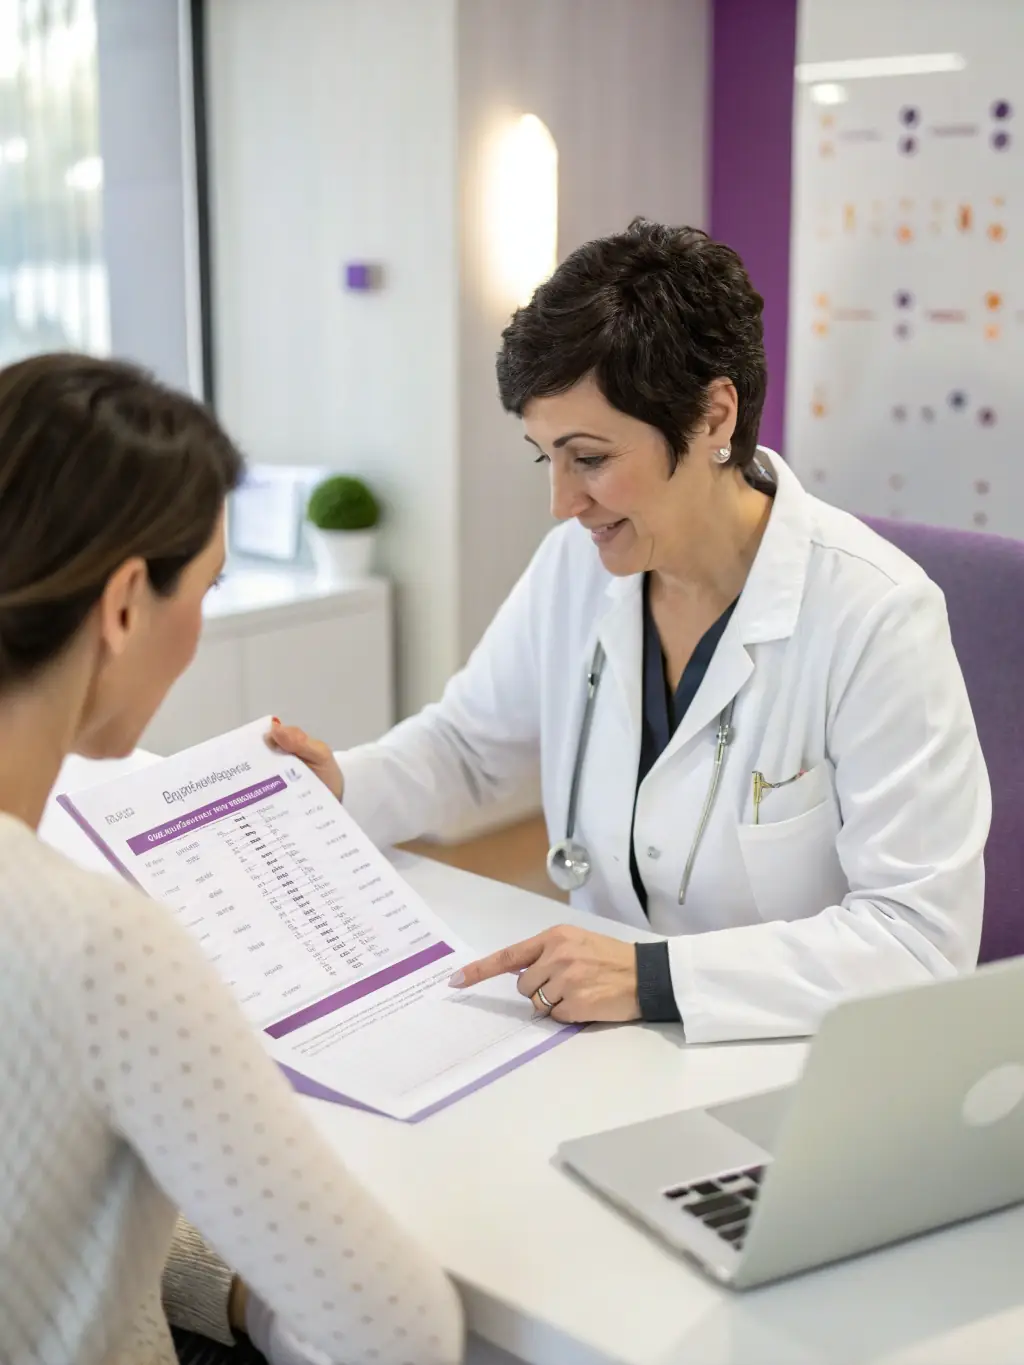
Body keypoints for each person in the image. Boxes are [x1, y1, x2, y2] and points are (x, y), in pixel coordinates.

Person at [273, 218, 990, 1044]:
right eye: (546, 457)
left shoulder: (876, 615)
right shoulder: (575, 568)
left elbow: (918, 940)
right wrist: (343, 783)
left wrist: (655, 978)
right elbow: (468, 747)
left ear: (713, 417)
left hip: (788, 1057)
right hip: (602, 1040)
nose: (562, 504)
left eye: (590, 458)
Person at [0, 354, 463, 1365]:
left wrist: (224, 1281)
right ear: (125, 604)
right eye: (206, 588)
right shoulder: (96, 943)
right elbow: (405, 1331)